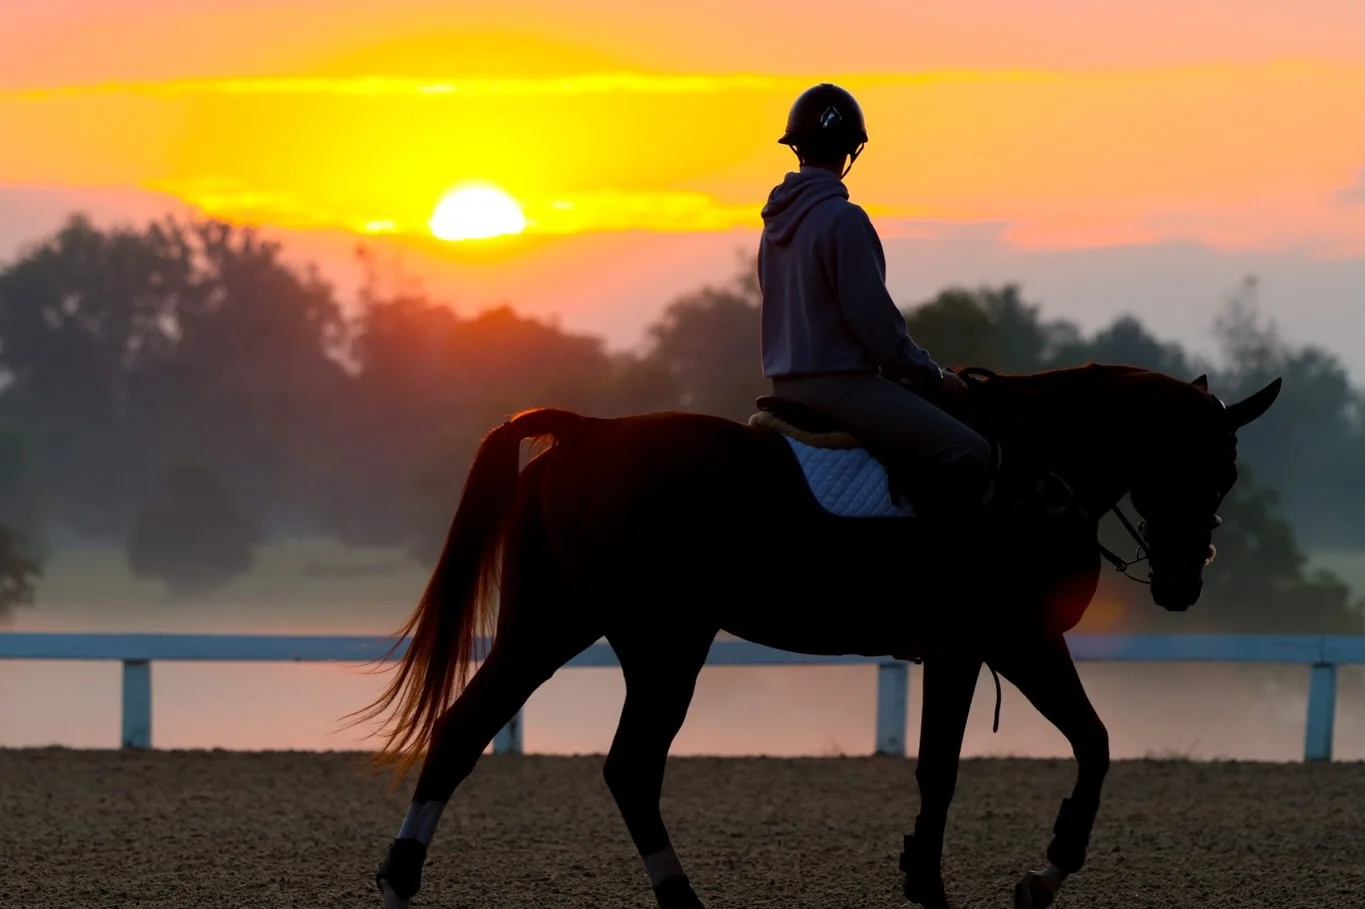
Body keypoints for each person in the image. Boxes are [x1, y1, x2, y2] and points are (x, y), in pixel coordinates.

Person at [757, 82, 995, 517]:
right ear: (851, 152)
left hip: (784, 387)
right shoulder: (845, 220)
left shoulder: (774, 223)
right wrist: (931, 375)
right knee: (970, 451)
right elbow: (878, 331)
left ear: (797, 148)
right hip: (844, 387)